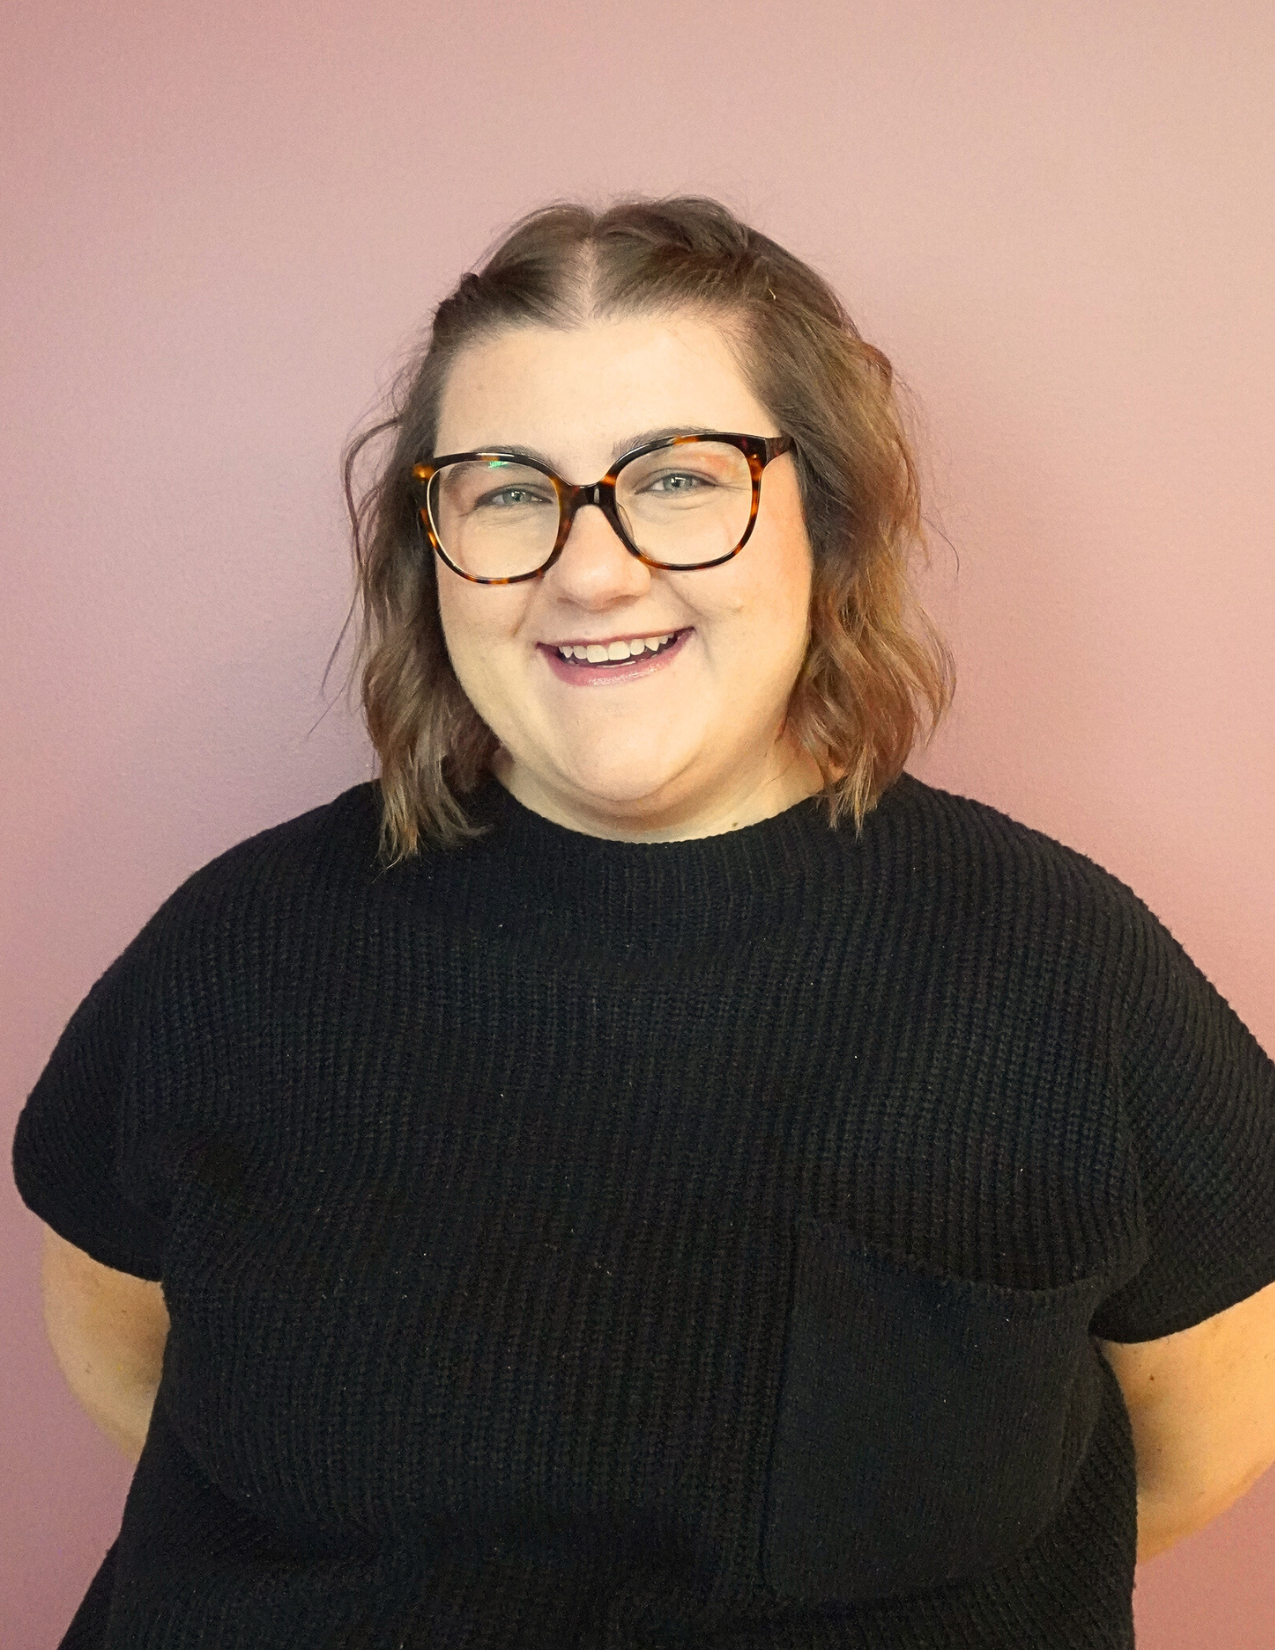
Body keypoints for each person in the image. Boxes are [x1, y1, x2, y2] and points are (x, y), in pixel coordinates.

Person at [14, 195, 1275, 1650]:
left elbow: (1195, 1444)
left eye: (678, 477)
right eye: (506, 490)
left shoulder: (1065, 972)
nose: (593, 569)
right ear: (431, 550)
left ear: (827, 518)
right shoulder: (234, 953)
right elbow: (128, 1364)